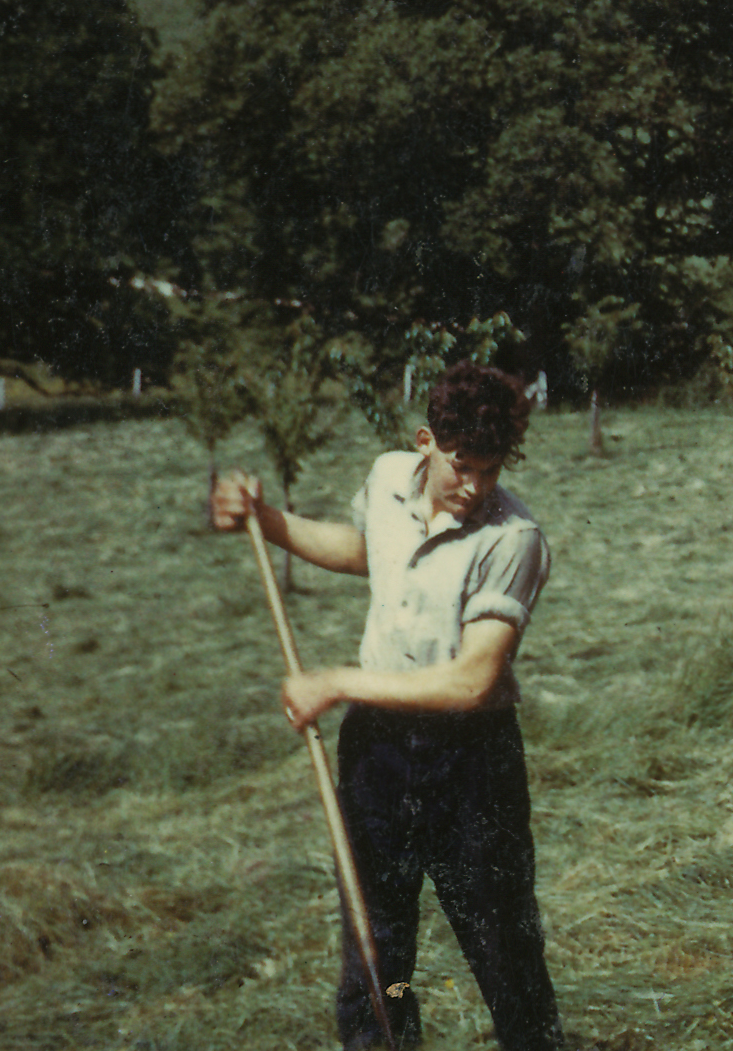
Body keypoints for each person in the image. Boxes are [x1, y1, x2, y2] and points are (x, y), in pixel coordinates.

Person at [211, 361, 566, 1051]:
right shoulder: (384, 478)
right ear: (425, 438)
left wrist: (338, 683)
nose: (474, 487)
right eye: (462, 465)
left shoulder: (513, 539)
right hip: (376, 754)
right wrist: (266, 519)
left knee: (502, 950)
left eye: (490, 471)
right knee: (378, 950)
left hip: (471, 764)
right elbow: (364, 551)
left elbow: (471, 682)